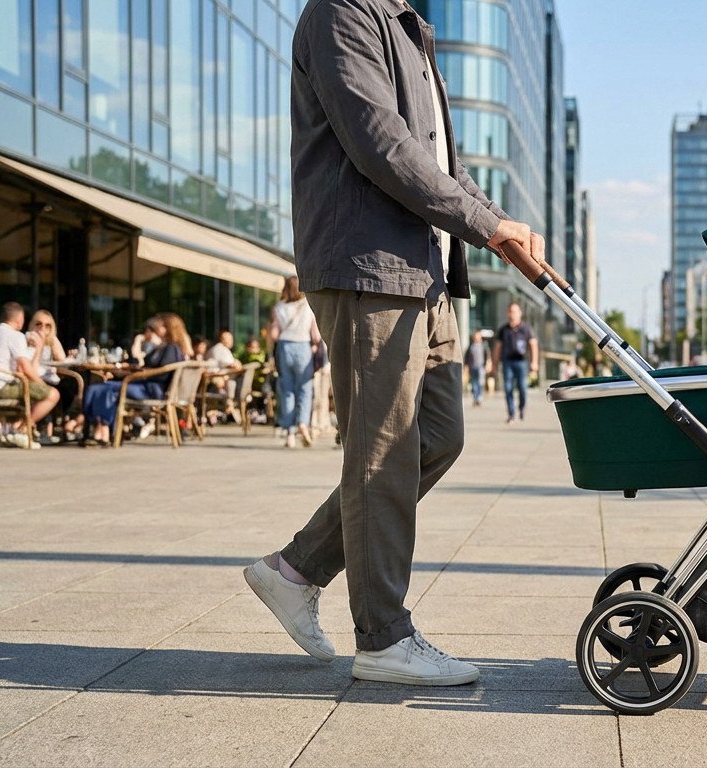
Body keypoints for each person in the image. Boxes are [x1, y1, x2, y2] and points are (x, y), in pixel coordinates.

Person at [243, 0, 541, 687]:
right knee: (381, 451)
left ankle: (294, 572)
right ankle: (383, 637)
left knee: (437, 434)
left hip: (422, 269)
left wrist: (501, 224)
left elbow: (439, 162)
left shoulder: (408, 28)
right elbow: (380, 141)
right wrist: (479, 222)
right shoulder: (341, 13)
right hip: (367, 265)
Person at [81, 313, 191, 444]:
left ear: (168, 328)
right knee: (101, 388)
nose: (156, 327)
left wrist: (140, 372)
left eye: (160, 325)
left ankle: (103, 428)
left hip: (152, 389)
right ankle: (103, 428)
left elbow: (162, 373)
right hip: (145, 385)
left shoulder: (171, 348)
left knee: (104, 388)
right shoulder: (163, 347)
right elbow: (149, 365)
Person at [0, 302, 60, 449]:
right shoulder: (14, 336)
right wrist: (42, 385)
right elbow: (25, 367)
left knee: (28, 389)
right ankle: (22, 429)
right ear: (20, 319)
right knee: (52, 394)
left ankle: (17, 429)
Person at [269, 276, 321, 448]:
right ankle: (303, 424)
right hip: (303, 347)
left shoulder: (279, 307)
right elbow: (316, 336)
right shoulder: (308, 306)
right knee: (305, 389)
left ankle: (290, 433)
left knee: (287, 390)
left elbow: (274, 335)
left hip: (285, 348)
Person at [28, 310, 84, 442]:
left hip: (49, 378)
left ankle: (68, 424)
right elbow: (30, 368)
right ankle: (45, 427)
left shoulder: (51, 340)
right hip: (33, 378)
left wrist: (70, 356)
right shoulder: (27, 339)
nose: (43, 328)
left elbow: (62, 361)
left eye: (48, 326)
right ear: (31, 325)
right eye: (38, 324)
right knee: (62, 390)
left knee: (74, 387)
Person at [492, 302, 538, 424]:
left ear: (520, 313)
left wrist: (534, 362)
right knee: (508, 388)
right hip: (507, 362)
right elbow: (497, 348)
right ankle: (511, 413)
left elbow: (533, 345)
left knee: (523, 387)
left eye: (515, 311)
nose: (513, 314)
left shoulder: (526, 329)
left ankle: (522, 408)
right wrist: (494, 365)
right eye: (511, 311)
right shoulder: (503, 330)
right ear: (508, 313)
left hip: (521, 362)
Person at [463, 330, 489, 406]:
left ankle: (479, 398)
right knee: (474, 383)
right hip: (472, 367)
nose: (476, 338)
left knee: (480, 382)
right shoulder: (471, 346)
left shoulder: (483, 346)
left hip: (481, 367)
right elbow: (466, 357)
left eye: (478, 336)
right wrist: (466, 366)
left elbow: (487, 356)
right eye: (475, 336)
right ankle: (475, 398)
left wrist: (487, 365)